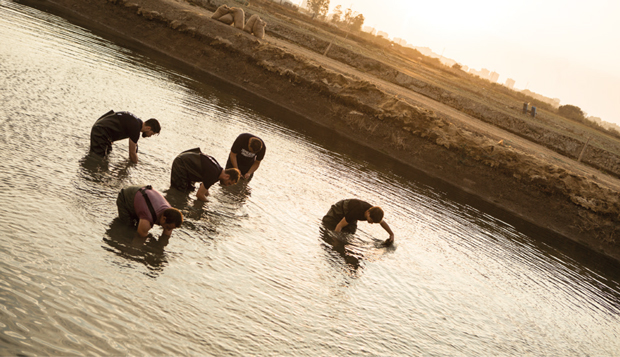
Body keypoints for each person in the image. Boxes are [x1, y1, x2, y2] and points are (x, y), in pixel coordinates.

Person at [116, 185, 184, 241]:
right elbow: (138, 242)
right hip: (126, 197)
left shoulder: (170, 216)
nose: (168, 229)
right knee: (128, 228)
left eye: (171, 228)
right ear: (164, 218)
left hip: (142, 197)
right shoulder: (147, 219)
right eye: (167, 227)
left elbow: (165, 239)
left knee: (138, 227)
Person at [170, 148, 241, 201]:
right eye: (228, 183)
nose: (227, 185)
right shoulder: (214, 174)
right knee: (179, 192)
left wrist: (207, 195)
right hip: (181, 163)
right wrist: (208, 203)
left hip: (185, 159)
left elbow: (204, 186)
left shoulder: (218, 170)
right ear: (227, 176)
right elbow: (199, 195)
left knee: (189, 189)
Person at [89, 110, 160, 163]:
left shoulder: (135, 121)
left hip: (100, 128)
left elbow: (114, 118)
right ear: (148, 128)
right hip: (101, 131)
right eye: (152, 133)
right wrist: (135, 165)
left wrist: (111, 139)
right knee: (98, 159)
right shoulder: (135, 128)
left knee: (107, 153)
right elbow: (132, 153)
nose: (150, 136)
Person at [322, 199, 395, 245]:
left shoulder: (375, 212)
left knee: (349, 234)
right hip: (340, 209)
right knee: (329, 225)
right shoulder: (356, 212)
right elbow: (339, 225)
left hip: (351, 215)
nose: (372, 223)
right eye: (372, 221)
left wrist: (391, 234)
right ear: (368, 213)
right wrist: (335, 241)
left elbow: (382, 222)